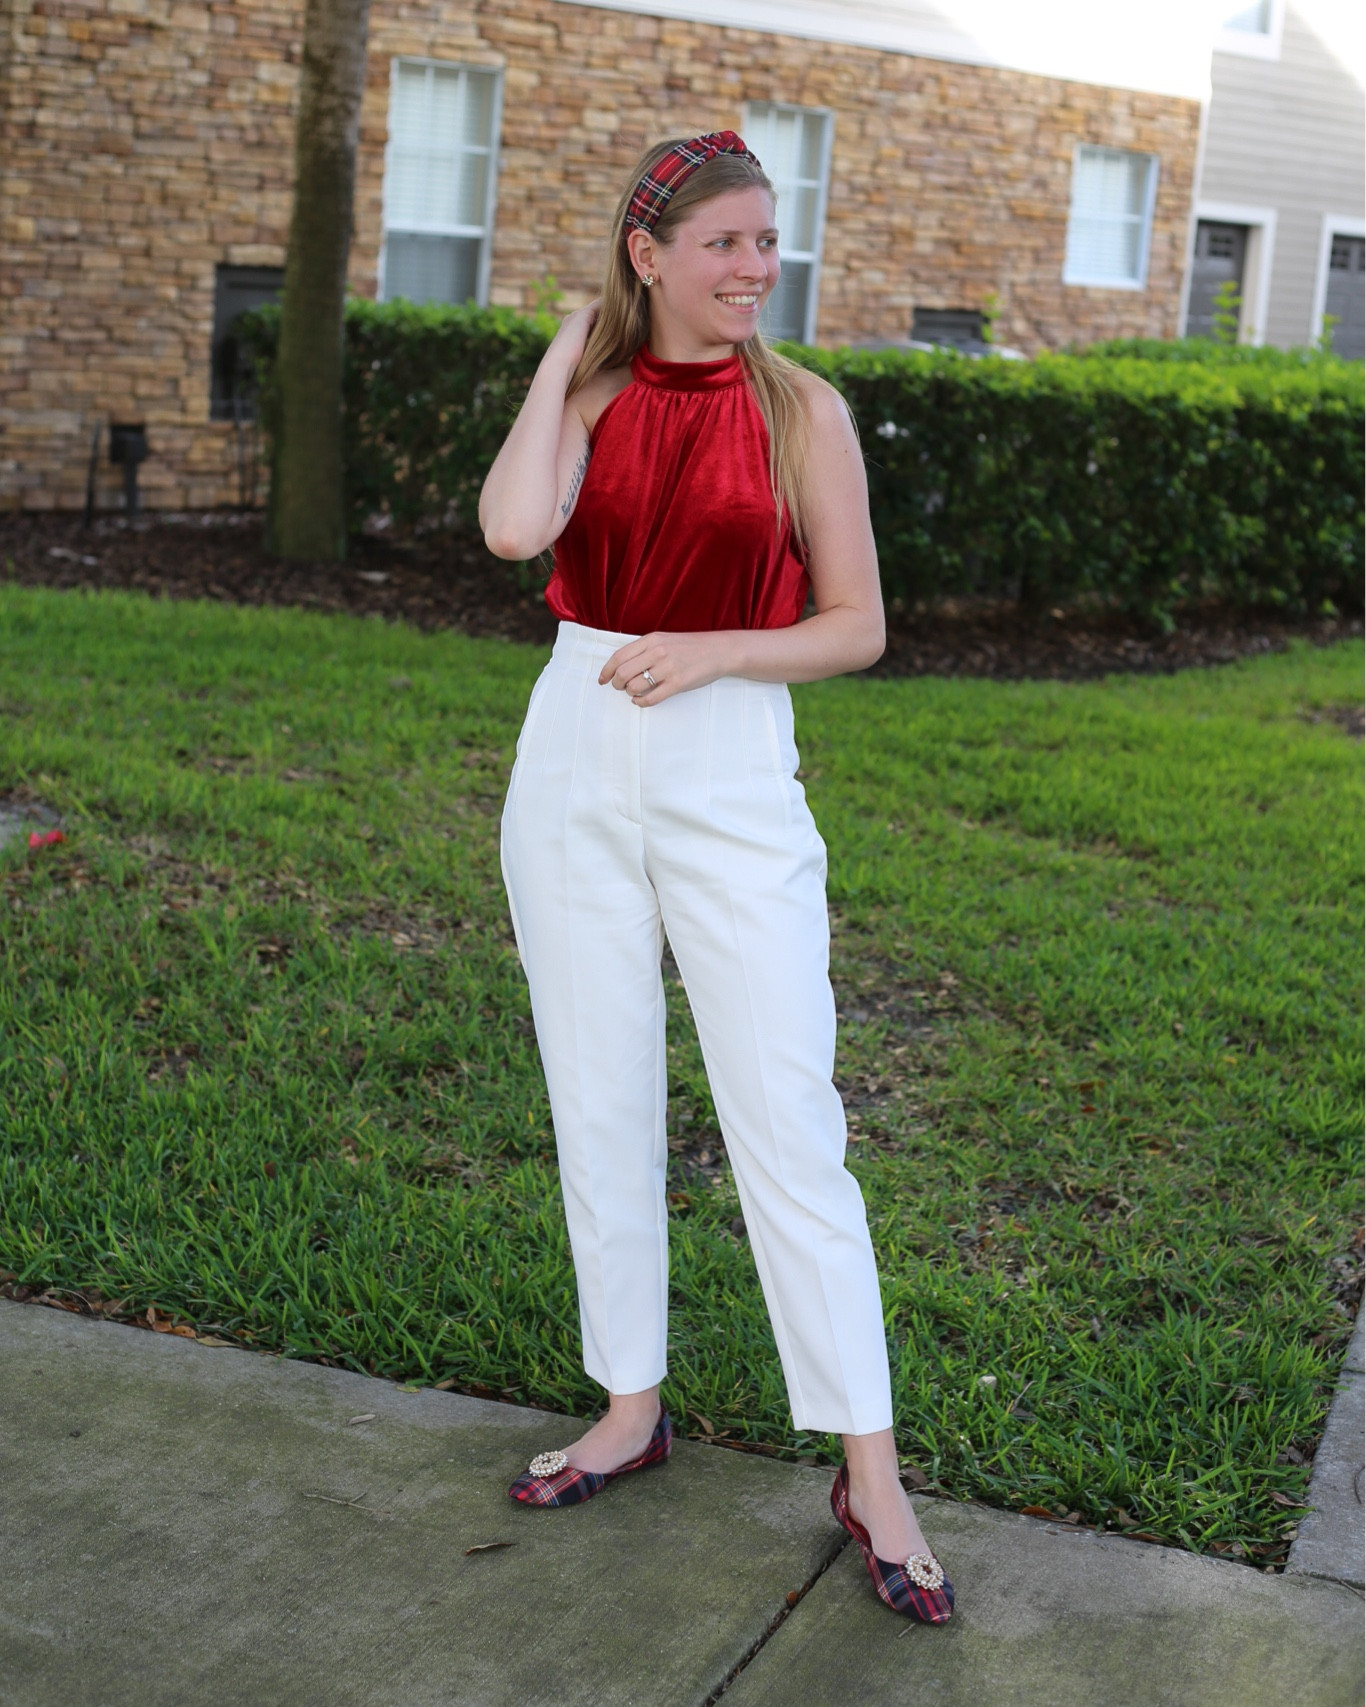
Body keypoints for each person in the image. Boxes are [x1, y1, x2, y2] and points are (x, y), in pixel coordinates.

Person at [477, 130, 953, 1624]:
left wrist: (717, 652)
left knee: (788, 1120)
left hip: (731, 761)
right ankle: (630, 1405)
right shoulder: (601, 393)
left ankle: (868, 1470)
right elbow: (510, 530)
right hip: (571, 750)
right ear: (650, 255)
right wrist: (563, 351)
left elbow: (857, 623)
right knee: (596, 1091)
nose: (757, 269)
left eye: (766, 243)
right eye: (726, 245)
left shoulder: (801, 410)